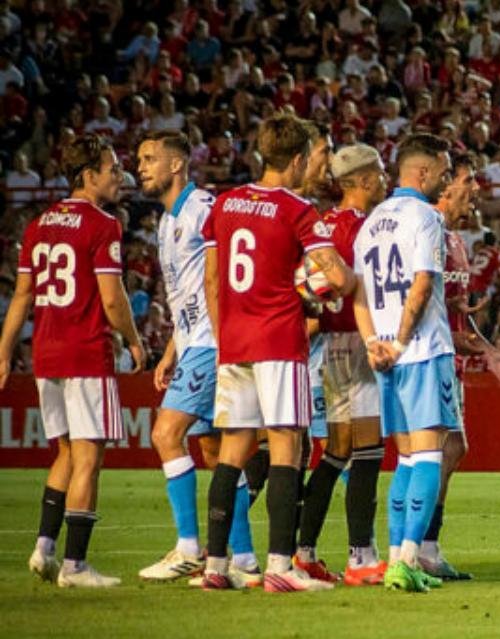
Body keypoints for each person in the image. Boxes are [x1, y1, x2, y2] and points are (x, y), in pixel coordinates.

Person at [199, 113, 352, 593]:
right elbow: (336, 275)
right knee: (288, 446)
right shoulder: (297, 209)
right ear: (300, 158)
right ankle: (281, 567)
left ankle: (215, 565)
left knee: (232, 451)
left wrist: (224, 338)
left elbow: (211, 279)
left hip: (235, 342)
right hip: (279, 341)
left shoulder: (225, 204)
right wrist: (335, 284)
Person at [0, 134, 146, 587]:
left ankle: (44, 548)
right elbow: (113, 299)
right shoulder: (103, 225)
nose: (120, 175)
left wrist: (3, 353)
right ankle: (75, 565)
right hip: (85, 353)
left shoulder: (38, 224)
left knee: (64, 451)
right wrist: (135, 340)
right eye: (112, 168)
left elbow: (21, 297)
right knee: (88, 457)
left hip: (46, 353)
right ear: (87, 175)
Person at [135, 131, 257, 584]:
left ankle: (188, 547)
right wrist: (173, 348)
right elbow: (186, 293)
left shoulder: (203, 209)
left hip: (212, 344)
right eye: (140, 160)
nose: (141, 167)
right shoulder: (167, 221)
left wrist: (226, 345)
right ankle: (244, 558)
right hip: (193, 343)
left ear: (176, 165)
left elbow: (220, 281)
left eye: (150, 159)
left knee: (166, 433)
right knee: (214, 451)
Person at [351, 133, 456, 593]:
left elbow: (358, 293)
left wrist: (374, 343)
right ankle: (410, 559)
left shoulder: (371, 221)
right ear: (424, 172)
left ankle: (395, 557)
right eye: (444, 173)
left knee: (406, 458)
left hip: (384, 359)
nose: (446, 182)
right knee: (430, 453)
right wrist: (400, 341)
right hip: (422, 350)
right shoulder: (426, 218)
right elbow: (422, 284)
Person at [289, 144, 389, 586]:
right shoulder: (362, 228)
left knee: (337, 451)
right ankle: (361, 557)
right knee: (368, 449)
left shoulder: (324, 225)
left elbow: (305, 285)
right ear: (363, 181)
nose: (385, 180)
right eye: (380, 173)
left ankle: (304, 551)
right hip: (357, 341)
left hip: (331, 344)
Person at [430, 153, 500, 580]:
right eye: (468, 182)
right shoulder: (426, 232)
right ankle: (406, 549)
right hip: (426, 357)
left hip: (452, 358)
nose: (476, 191)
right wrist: (484, 351)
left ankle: (423, 547)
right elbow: (424, 315)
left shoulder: (455, 242)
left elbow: (456, 316)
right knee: (431, 449)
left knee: (452, 447)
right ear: (446, 185)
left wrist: (487, 348)